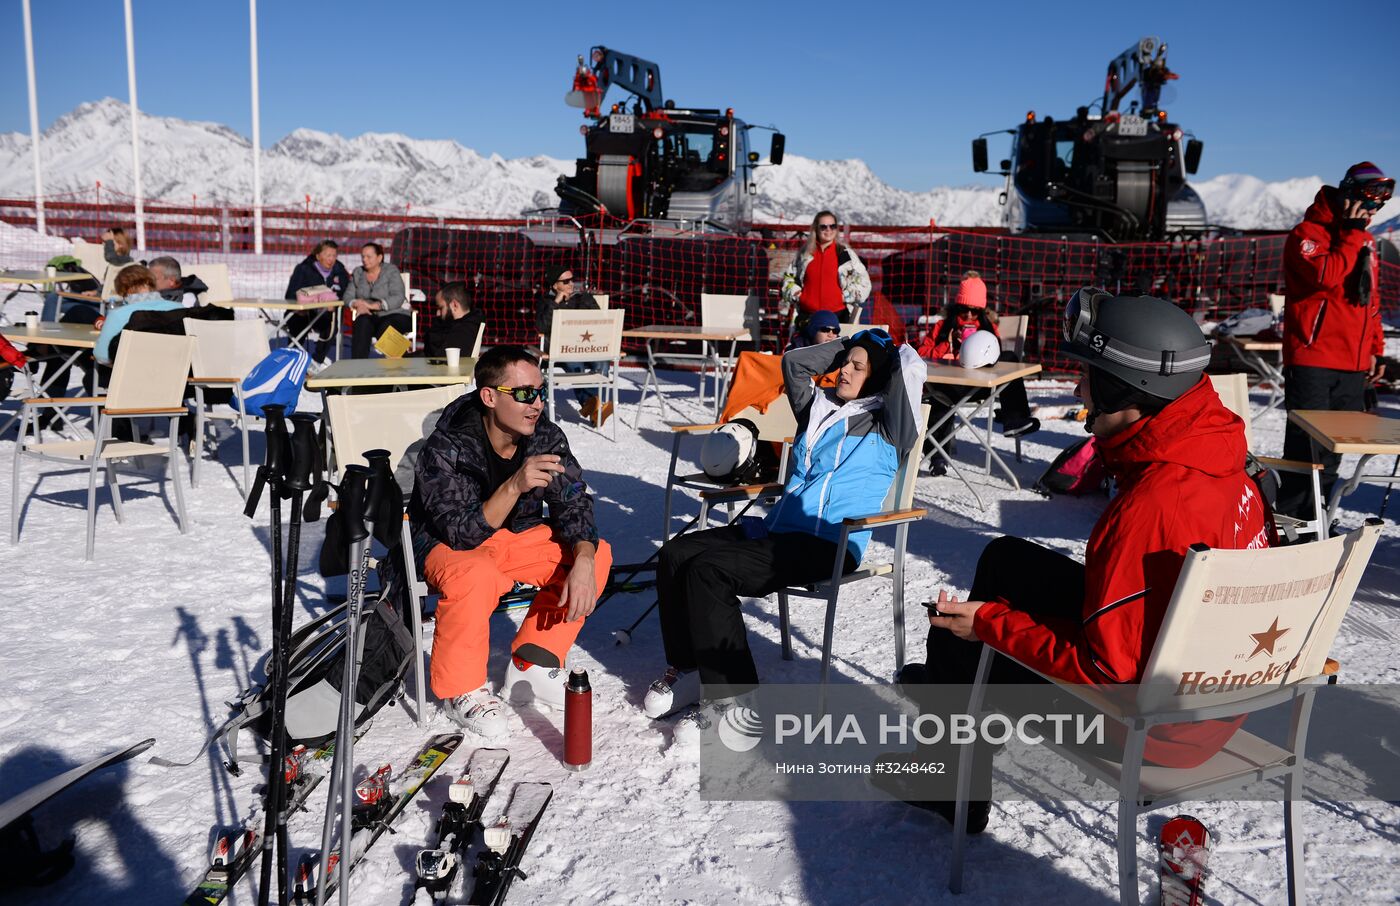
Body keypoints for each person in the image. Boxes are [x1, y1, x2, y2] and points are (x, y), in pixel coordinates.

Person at [885, 291, 1269, 833]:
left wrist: (991, 624)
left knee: (972, 638)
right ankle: (950, 690)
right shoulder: (1223, 460)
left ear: (1123, 386)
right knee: (1006, 560)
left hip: (1148, 725)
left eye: (1087, 377)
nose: (1075, 390)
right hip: (1210, 696)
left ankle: (949, 769)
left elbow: (1105, 673)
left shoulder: (1149, 508)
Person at [643, 328, 925, 736]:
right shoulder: (819, 409)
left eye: (856, 367)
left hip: (829, 541)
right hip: (777, 532)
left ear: (878, 375)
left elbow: (908, 371)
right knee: (676, 554)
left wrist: (883, 351)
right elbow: (793, 364)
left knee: (709, 570)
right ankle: (691, 669)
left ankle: (733, 700)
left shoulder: (890, 426)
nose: (843, 370)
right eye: (844, 363)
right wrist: (849, 347)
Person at [409, 345, 613, 736]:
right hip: (446, 545)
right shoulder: (447, 445)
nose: (535, 403)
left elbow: (574, 504)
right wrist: (515, 485)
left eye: (540, 391)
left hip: (514, 539)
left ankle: (532, 661)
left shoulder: (546, 437)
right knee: (476, 573)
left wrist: (584, 558)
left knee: (595, 553)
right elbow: (460, 534)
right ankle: (461, 691)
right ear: (489, 396)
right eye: (523, 394)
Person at [1275, 161, 1391, 520]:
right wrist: (1352, 235)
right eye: (1368, 202)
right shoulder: (1307, 235)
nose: (1372, 211)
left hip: (1353, 364)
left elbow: (1369, 299)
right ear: (1349, 196)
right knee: (1306, 447)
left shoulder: (1364, 239)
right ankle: (1295, 522)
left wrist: (1376, 349)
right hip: (1313, 358)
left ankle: (1320, 518)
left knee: (1334, 451)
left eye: (1379, 206)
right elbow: (1325, 276)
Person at [917, 271, 1039, 453]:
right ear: (956, 307)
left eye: (974, 311)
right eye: (963, 309)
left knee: (1009, 358)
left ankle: (1015, 419)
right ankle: (937, 455)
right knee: (937, 400)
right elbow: (921, 354)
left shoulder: (988, 328)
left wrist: (979, 346)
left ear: (981, 311)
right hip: (949, 386)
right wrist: (947, 344)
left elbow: (997, 360)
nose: (968, 315)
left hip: (980, 385)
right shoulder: (942, 327)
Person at [535, 264, 611, 428]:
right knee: (574, 363)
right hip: (561, 351)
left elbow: (600, 322)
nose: (571, 284)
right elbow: (542, 327)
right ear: (555, 285)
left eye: (572, 280)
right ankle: (594, 407)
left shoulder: (583, 298)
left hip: (588, 348)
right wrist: (556, 303)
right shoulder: (546, 302)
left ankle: (592, 407)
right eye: (566, 281)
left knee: (602, 362)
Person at [780, 210, 871, 326]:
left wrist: (843, 296)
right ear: (816, 229)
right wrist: (799, 295)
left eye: (832, 226)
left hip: (838, 317)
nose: (828, 230)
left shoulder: (845, 255)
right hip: (807, 317)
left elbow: (864, 283)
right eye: (823, 227)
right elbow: (789, 277)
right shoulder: (804, 255)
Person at [94, 265, 181, 365]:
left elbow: (103, 356)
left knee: (91, 376)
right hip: (173, 373)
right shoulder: (179, 309)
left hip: (131, 374)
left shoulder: (119, 315)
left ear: (122, 290)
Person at [284, 240, 351, 364]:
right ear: (318, 255)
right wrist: (302, 306)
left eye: (334, 256)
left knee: (332, 322)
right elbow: (290, 294)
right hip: (303, 312)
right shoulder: (303, 269)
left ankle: (317, 361)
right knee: (297, 321)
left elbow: (347, 293)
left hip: (326, 314)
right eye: (328, 255)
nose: (331, 259)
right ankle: (292, 359)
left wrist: (335, 302)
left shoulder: (340, 271)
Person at [344, 242, 409, 358]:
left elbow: (398, 296)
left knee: (386, 327)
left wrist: (376, 305)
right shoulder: (358, 272)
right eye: (362, 256)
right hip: (370, 315)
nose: (364, 260)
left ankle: (402, 362)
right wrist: (357, 304)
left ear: (379, 258)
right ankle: (358, 367)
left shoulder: (391, 271)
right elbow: (348, 296)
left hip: (395, 313)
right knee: (361, 322)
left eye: (369, 256)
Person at [422, 280, 486, 359]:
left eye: (441, 308)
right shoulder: (458, 326)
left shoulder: (464, 331)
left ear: (454, 305)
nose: (438, 313)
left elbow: (440, 358)